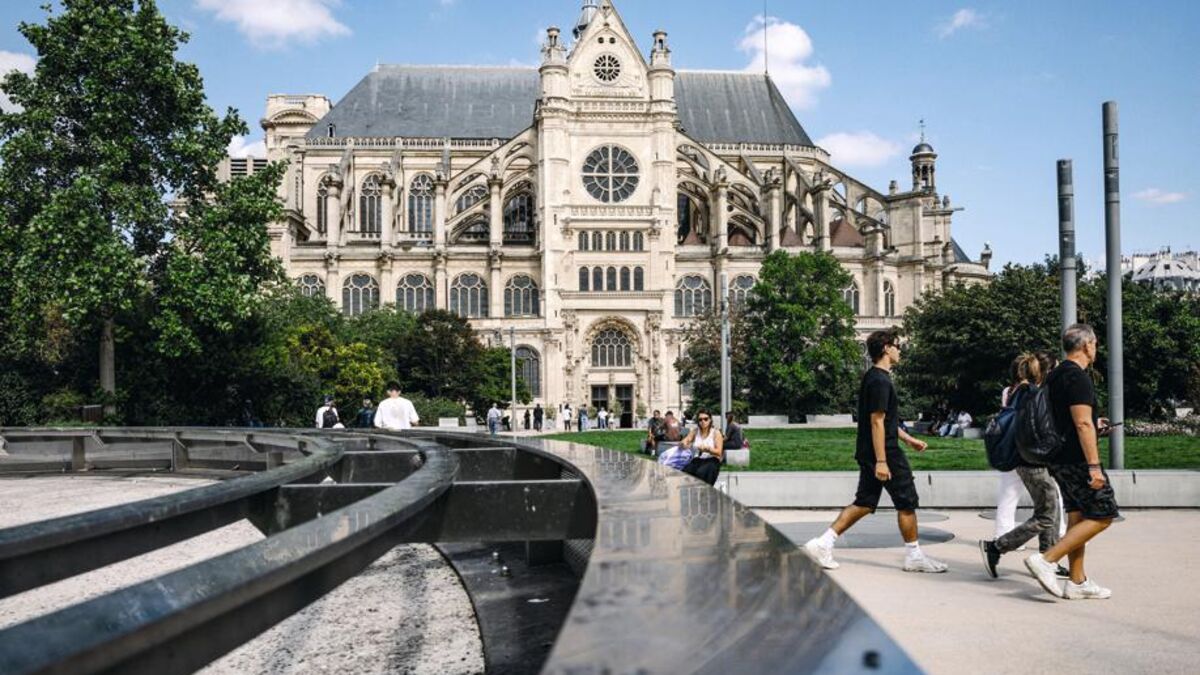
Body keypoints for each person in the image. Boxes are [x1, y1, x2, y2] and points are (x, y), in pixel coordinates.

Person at [803, 330, 947, 573]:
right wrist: (882, 460)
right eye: (897, 346)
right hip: (884, 453)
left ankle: (822, 543)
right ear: (886, 349)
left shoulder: (875, 377)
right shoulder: (880, 380)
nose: (900, 351)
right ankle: (914, 556)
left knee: (865, 502)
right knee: (906, 501)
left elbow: (886, 420)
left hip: (874, 450)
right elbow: (877, 421)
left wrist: (909, 439)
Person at [1024, 324, 1119, 600]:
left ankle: (1077, 581)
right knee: (1103, 514)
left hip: (1059, 459)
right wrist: (1094, 466)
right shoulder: (1077, 377)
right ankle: (1047, 559)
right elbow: (1081, 424)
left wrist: (1093, 423)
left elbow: (1071, 420)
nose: (1096, 349)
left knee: (1077, 516)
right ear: (1087, 345)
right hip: (1078, 460)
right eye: (1096, 344)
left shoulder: (1054, 376)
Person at [979, 354, 1068, 579]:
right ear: (1041, 372)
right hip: (1033, 460)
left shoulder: (1017, 392)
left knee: (1050, 508)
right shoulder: (1033, 394)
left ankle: (1048, 559)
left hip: (1025, 459)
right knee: (1048, 514)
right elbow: (1039, 428)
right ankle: (997, 547)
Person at [994, 357, 1026, 542]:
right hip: (1028, 448)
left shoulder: (1008, 391)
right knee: (1051, 494)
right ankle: (1059, 531)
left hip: (1009, 447)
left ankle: (1003, 534)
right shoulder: (1032, 391)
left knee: (1008, 494)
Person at [679, 409, 724, 485]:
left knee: (701, 473)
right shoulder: (695, 431)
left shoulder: (716, 433)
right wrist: (684, 444)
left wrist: (707, 449)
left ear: (710, 420)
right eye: (700, 419)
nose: (703, 421)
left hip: (712, 460)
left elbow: (719, 452)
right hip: (698, 460)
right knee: (685, 473)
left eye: (706, 419)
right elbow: (685, 441)